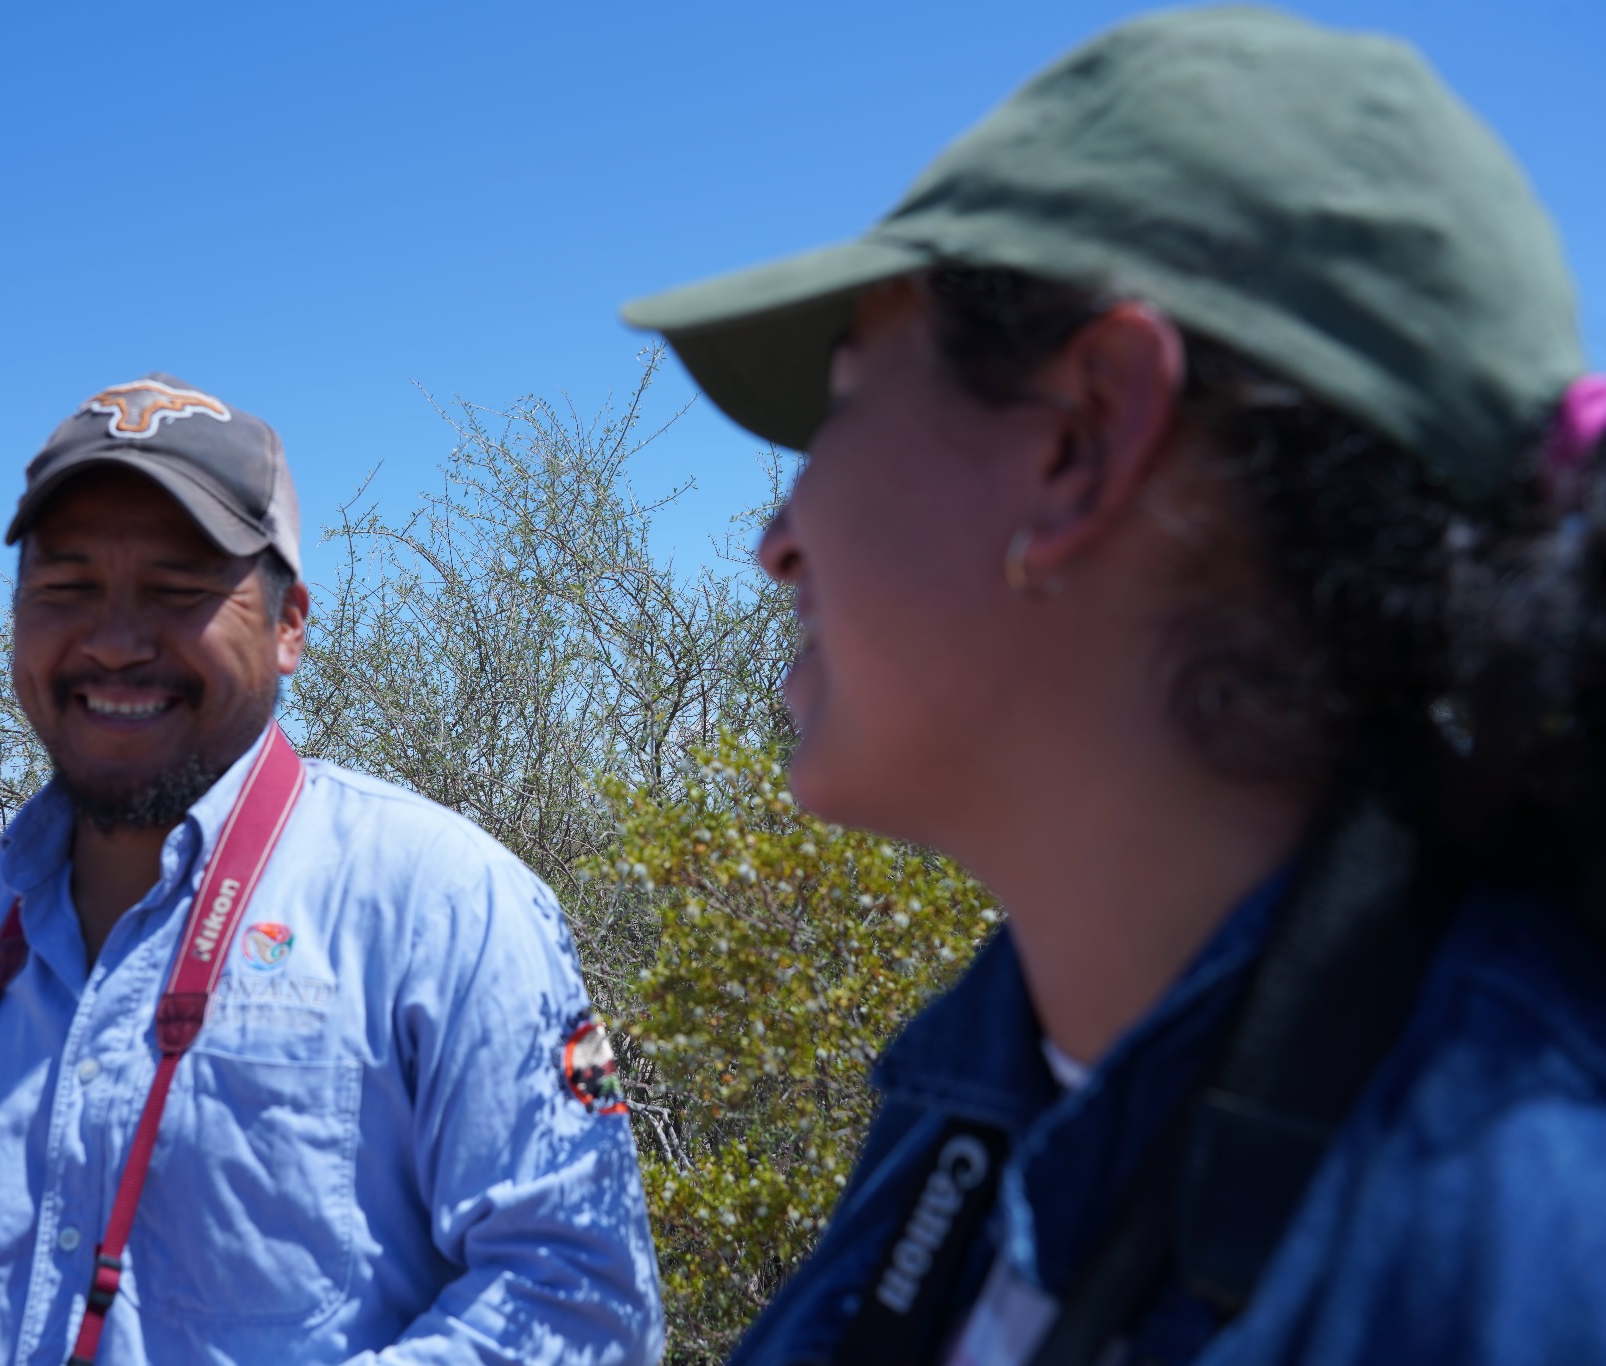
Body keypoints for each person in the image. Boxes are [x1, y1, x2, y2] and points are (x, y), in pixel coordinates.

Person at [623, 9, 1606, 1366]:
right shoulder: (984, 1079)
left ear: (1085, 439)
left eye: (842, 404)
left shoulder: (1522, 1248)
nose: (773, 537)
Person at [0, 375, 664, 1364]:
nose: (116, 641)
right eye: (64, 588)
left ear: (290, 622)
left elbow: (577, 1299)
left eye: (179, 591)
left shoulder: (441, 902)